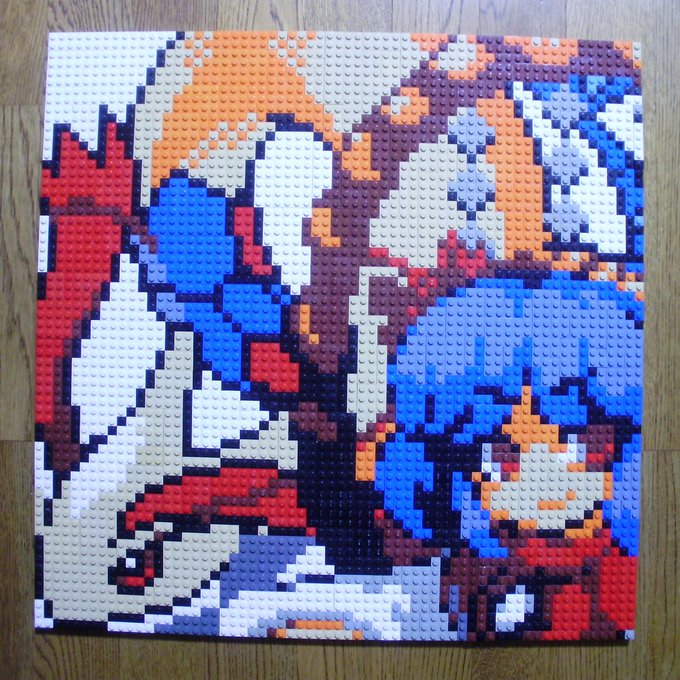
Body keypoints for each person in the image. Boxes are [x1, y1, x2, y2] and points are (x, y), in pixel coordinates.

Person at [35, 32, 643, 640]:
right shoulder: (438, 568)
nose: (545, 474)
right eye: (503, 455)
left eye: (580, 443)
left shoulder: (614, 570)